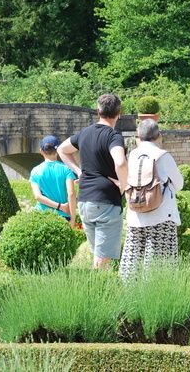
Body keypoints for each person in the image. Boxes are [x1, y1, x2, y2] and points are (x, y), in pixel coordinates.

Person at [58, 94, 128, 269]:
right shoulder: (114, 136)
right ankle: (97, 292)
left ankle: (97, 290)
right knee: (102, 260)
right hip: (105, 201)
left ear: (98, 111)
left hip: (85, 201)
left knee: (97, 255)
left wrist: (78, 171)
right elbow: (120, 162)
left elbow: (62, 150)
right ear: (119, 113)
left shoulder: (85, 133)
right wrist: (124, 186)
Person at [119, 119, 184, 278]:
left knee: (132, 261)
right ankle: (154, 297)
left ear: (138, 137)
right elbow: (179, 184)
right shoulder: (163, 155)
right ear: (159, 136)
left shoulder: (132, 155)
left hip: (136, 216)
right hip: (161, 215)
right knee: (159, 264)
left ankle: (129, 294)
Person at [29, 135, 77, 228]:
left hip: (41, 214)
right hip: (63, 216)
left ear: (41, 151)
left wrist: (59, 206)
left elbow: (38, 196)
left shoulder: (35, 171)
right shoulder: (66, 169)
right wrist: (73, 218)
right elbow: (71, 194)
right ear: (58, 150)